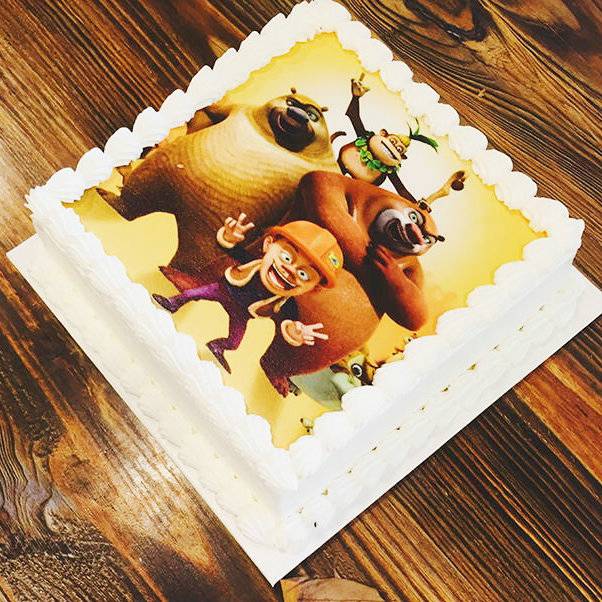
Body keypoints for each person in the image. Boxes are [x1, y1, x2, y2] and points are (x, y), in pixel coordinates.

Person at [153, 213, 344, 377]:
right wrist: (229, 237)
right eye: (287, 257)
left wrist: (295, 331)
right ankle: (172, 303)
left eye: (303, 274)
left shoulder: (287, 302)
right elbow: (232, 249)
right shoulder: (252, 262)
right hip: (224, 290)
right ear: (268, 244)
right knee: (195, 293)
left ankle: (217, 346)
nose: (290, 271)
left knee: (234, 342)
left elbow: (288, 321)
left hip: (242, 313)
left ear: (311, 288)